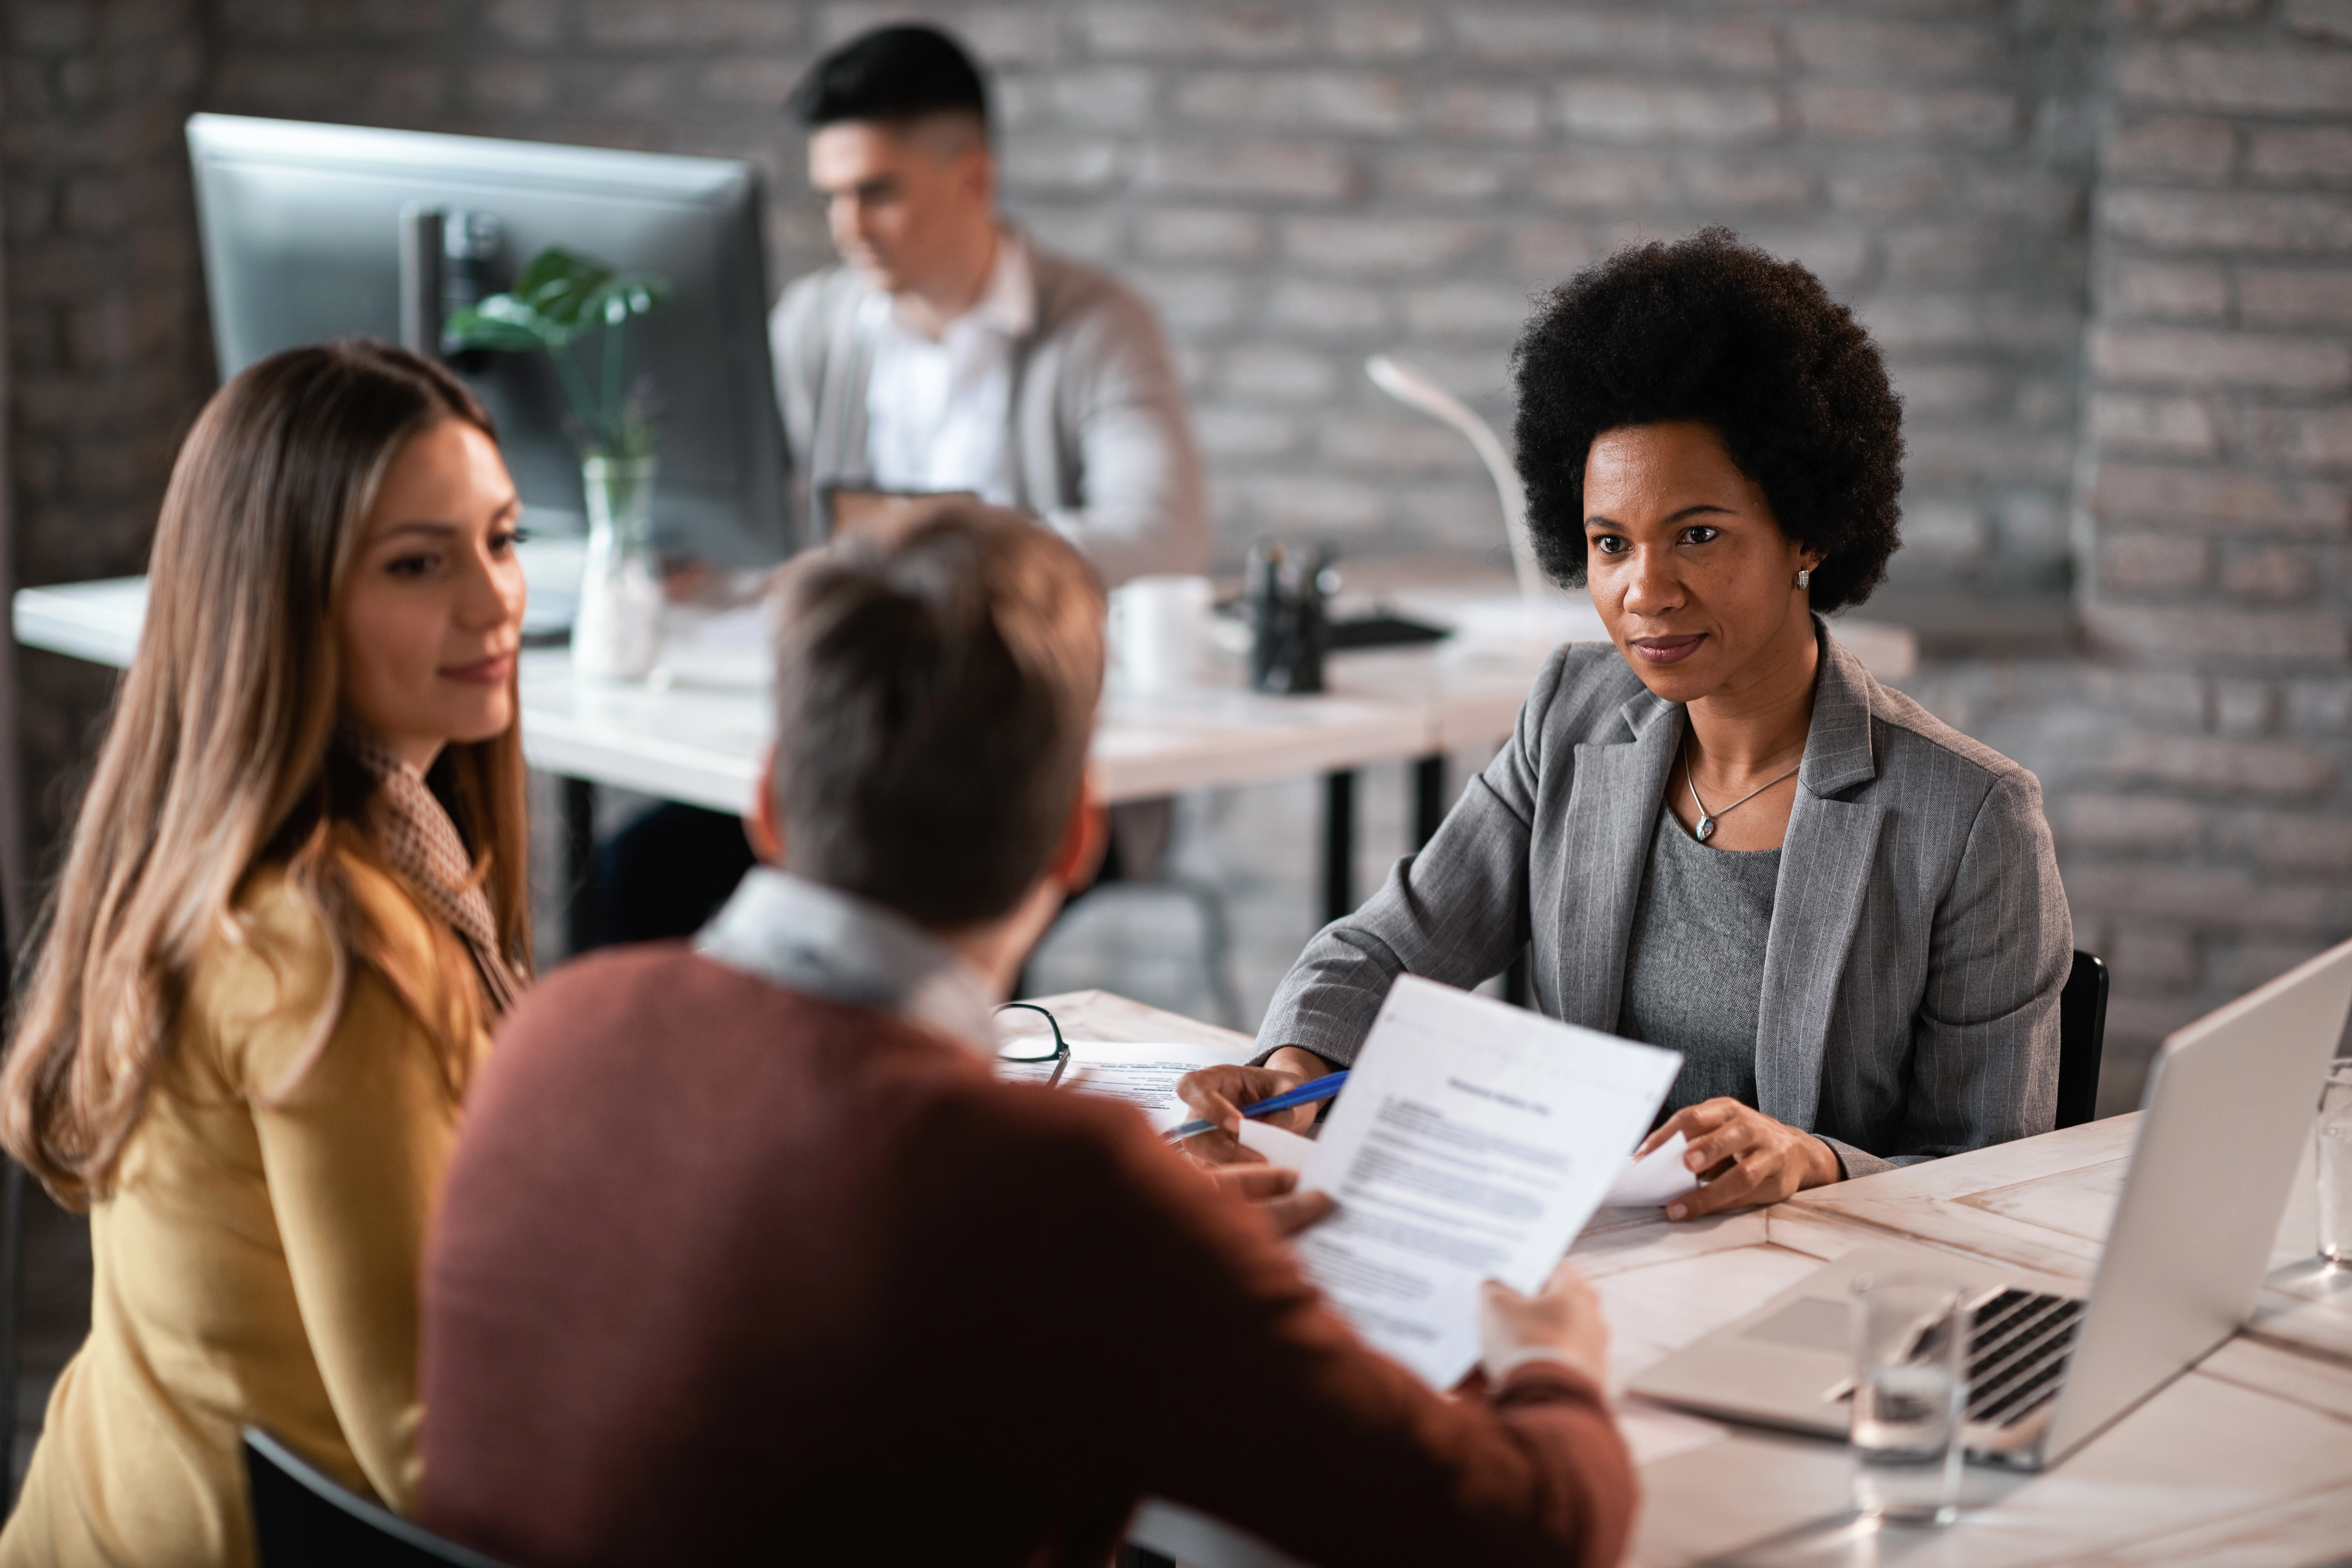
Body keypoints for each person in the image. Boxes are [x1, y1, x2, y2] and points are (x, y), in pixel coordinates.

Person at [419, 506, 1636, 1568]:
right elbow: (1522, 1536)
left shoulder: (557, 1028)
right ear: (1075, 841)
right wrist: (1554, 1364)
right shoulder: (1056, 1189)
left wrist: (1147, 1246)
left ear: (772, 801)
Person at [1181, 229, 2072, 1214]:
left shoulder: (1971, 820)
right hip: (1568, 1260)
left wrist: (1819, 1163)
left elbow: (1997, 1177)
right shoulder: (1573, 715)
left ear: (1808, 533)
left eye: (1698, 535)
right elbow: (1388, 949)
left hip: (1803, 1300)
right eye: (1612, 543)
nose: (1645, 591)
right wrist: (1296, 1061)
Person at [0, 342, 531, 1567]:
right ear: (282, 598)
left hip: (105, 1504)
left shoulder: (237, 855)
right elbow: (430, 1451)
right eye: (419, 562)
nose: (493, 598)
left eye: (500, 540)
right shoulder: (325, 945)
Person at [595, 22, 1206, 945]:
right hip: (846, 749)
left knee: (878, 912)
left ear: (973, 176)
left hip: (1023, 759)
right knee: (635, 876)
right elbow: (755, 521)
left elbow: (1160, 533)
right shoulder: (815, 324)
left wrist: (913, 557)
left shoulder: (1099, 328)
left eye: (876, 193)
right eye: (833, 196)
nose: (847, 228)